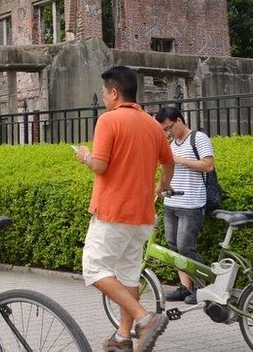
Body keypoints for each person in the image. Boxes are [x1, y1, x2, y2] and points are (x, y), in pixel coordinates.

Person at [74, 66, 175, 352]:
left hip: (113, 211)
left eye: (105, 93)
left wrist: (85, 156)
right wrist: (162, 185)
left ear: (115, 93)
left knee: (93, 269)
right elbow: (169, 162)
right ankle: (122, 337)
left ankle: (145, 319)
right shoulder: (152, 125)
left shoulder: (109, 120)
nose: (104, 98)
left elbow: (100, 166)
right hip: (143, 215)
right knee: (128, 275)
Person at [155, 106, 215, 305]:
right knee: (173, 247)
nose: (168, 132)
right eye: (165, 130)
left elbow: (208, 165)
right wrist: (161, 188)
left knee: (186, 246)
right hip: (171, 201)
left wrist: (178, 159)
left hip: (191, 203)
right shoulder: (171, 144)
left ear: (179, 120)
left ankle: (204, 289)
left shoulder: (199, 138)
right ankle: (185, 288)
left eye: (169, 128)